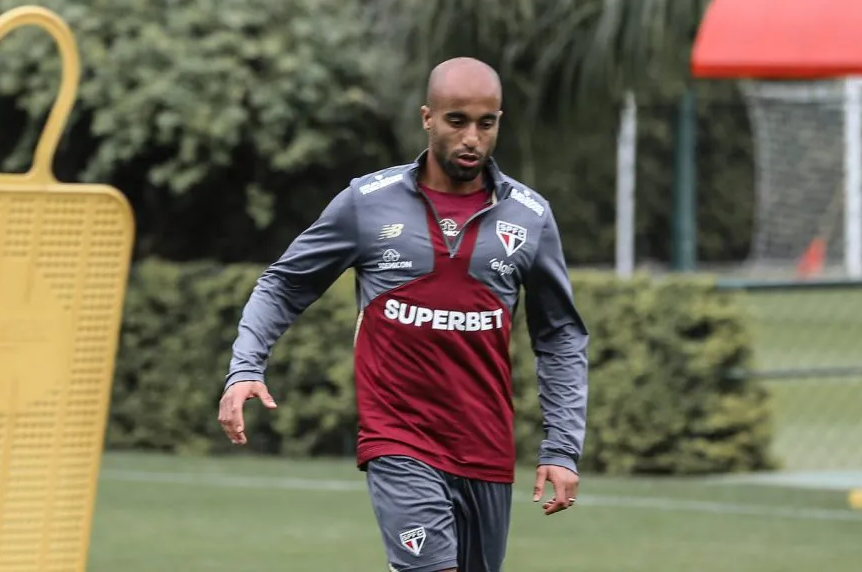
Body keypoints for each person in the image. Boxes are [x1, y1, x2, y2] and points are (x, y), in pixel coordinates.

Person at [217, 56, 589, 572]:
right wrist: (245, 367)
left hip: (485, 445)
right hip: (398, 438)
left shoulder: (530, 216)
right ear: (427, 118)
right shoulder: (367, 203)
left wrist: (561, 448)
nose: (471, 138)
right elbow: (282, 285)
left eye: (487, 123)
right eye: (456, 120)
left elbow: (560, 337)